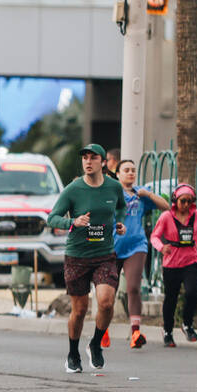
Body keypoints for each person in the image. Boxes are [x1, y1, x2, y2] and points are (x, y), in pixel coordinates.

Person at [46, 144, 127, 373]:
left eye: (93, 158)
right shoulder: (73, 189)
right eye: (84, 158)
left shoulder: (113, 187)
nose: (88, 161)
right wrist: (73, 222)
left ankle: (95, 343)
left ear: (103, 162)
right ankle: (73, 353)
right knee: (80, 310)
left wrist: (119, 224)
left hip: (105, 255)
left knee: (106, 302)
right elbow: (52, 218)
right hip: (77, 256)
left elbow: (120, 208)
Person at [113, 159, 169, 348]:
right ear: (117, 174)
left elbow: (166, 207)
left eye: (133, 170)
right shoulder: (112, 193)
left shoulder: (141, 193)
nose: (130, 173)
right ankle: (102, 331)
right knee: (108, 293)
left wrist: (150, 194)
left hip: (136, 246)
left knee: (133, 288)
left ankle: (136, 332)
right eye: (126, 170)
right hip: (112, 247)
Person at [149, 184, 197, 346]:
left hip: (191, 260)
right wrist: (162, 247)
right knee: (171, 298)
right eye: (183, 201)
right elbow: (154, 236)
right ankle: (168, 331)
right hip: (172, 263)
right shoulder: (166, 217)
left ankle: (187, 324)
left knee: (191, 293)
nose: (186, 205)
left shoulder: (196, 215)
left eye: (189, 202)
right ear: (176, 200)